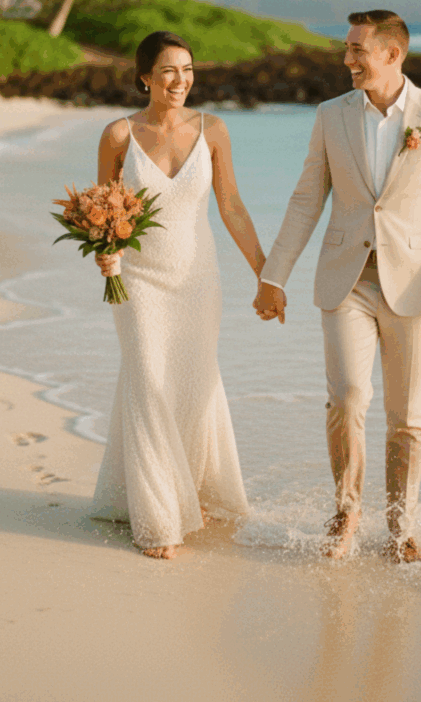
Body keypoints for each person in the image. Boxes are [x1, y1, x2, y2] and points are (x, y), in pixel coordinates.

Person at [254, 10, 421, 563]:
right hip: (346, 280)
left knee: (406, 416)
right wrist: (273, 276)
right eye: (347, 48)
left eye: (358, 50)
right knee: (348, 399)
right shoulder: (331, 115)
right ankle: (346, 511)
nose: (347, 60)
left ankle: (401, 526)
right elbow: (307, 198)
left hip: (416, 282)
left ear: (392, 54)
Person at [93, 30, 266, 560]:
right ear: (145, 76)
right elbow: (103, 209)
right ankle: (160, 519)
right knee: (147, 380)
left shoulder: (213, 130)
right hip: (139, 281)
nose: (180, 81)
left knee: (192, 386)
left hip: (197, 281)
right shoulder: (119, 135)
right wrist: (104, 254)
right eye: (169, 70)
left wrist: (266, 274)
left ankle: (189, 491)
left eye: (188, 70)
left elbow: (231, 205)